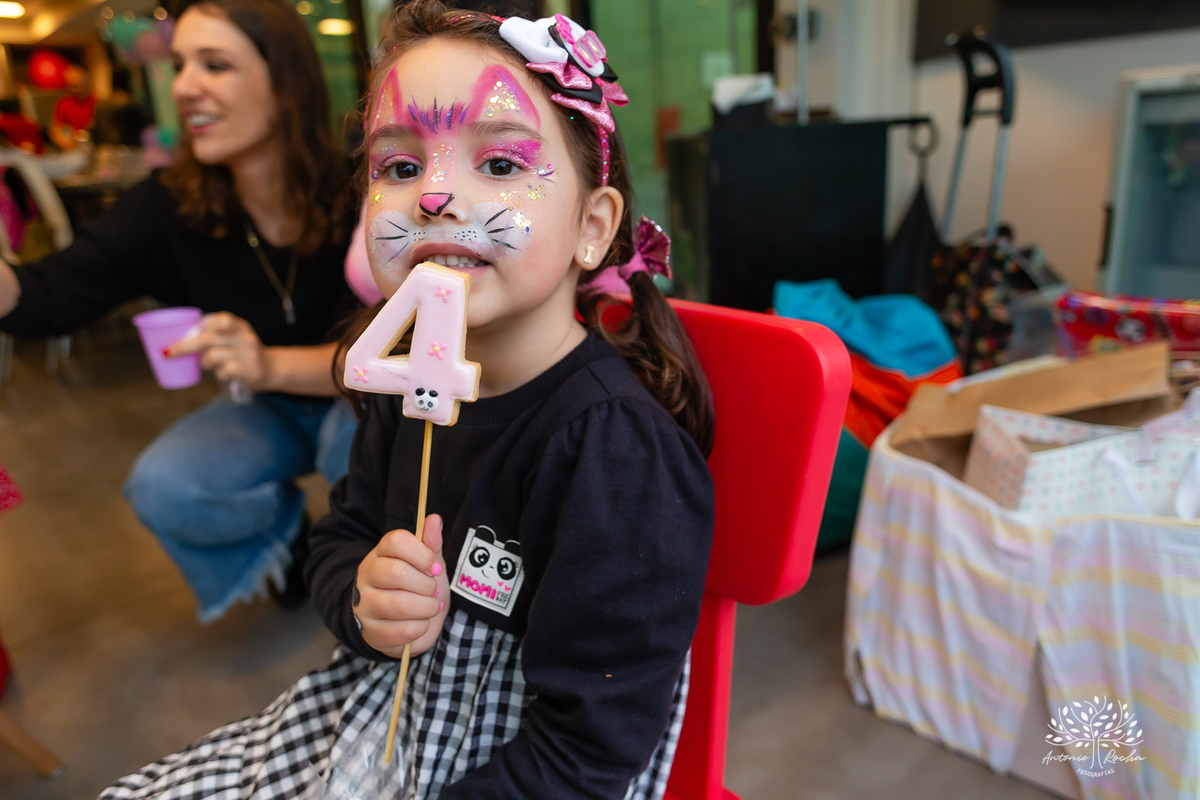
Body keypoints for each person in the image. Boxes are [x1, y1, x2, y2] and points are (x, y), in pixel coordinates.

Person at [100, 3, 717, 799]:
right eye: (397, 167)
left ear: (592, 228)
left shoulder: (614, 452)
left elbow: (588, 750)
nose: (432, 197)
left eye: (498, 165)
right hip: (375, 717)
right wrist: (362, 596)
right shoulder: (407, 385)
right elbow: (339, 538)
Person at [0, 0, 360, 622]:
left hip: (361, 395)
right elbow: (50, 295)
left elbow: (389, 357)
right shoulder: (168, 205)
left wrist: (265, 363)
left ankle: (368, 575)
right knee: (166, 486)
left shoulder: (360, 190)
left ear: (286, 84)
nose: (185, 85)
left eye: (215, 65)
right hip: (265, 404)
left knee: (353, 454)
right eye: (180, 64)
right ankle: (289, 534)